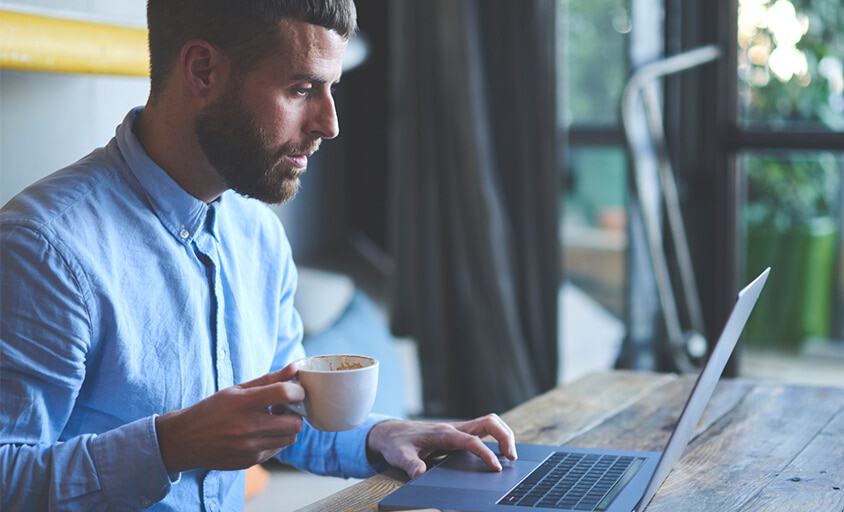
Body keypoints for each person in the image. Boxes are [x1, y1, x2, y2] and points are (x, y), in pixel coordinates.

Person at [0, 1, 517, 510]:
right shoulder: (45, 248)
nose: (330, 123)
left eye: (330, 89)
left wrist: (383, 436)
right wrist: (169, 446)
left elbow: (286, 419)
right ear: (203, 71)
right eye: (301, 88)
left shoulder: (259, 237)